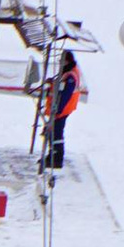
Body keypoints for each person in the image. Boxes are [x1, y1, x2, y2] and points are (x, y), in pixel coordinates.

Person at [41, 42, 83, 170]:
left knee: (56, 133)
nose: (60, 63)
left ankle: (56, 159)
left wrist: (58, 109)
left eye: (62, 60)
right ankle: (51, 156)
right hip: (59, 108)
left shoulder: (71, 75)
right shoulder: (67, 72)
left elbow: (66, 94)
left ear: (67, 61)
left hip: (62, 109)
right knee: (52, 132)